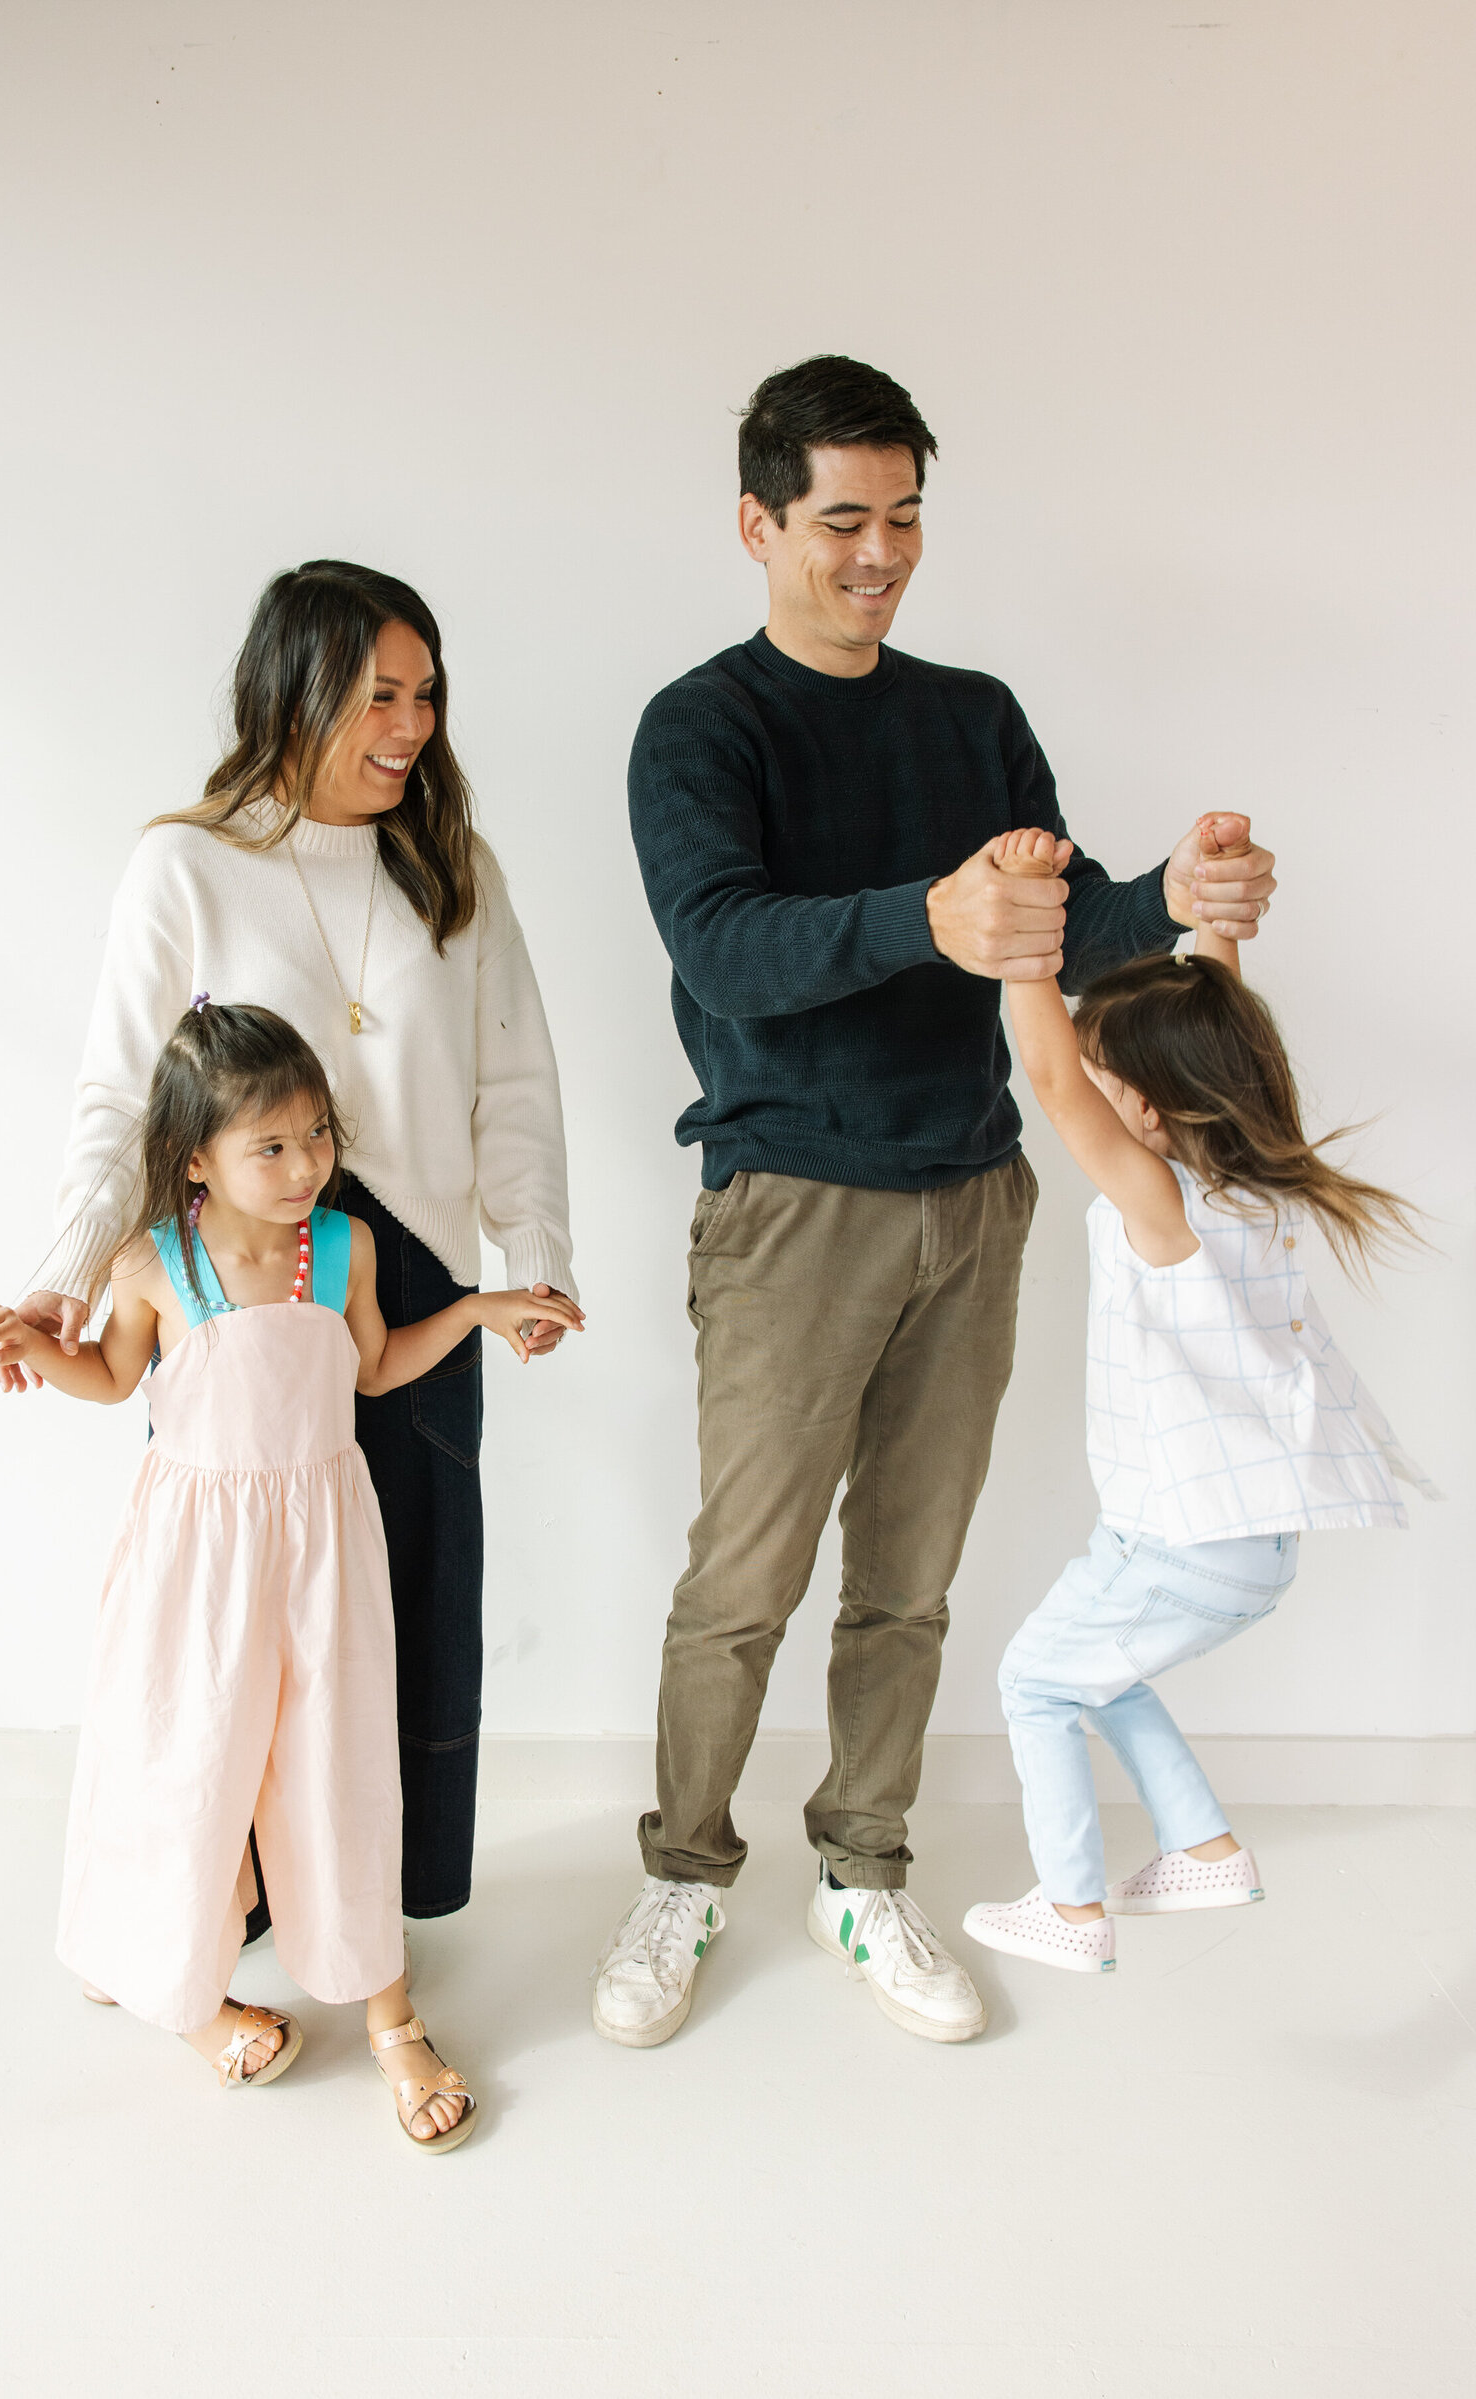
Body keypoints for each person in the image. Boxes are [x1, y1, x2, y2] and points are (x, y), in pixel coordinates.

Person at [593, 354, 1280, 2050]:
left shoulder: (971, 714)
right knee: (740, 1582)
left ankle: (862, 1862)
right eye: (842, 519)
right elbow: (725, 945)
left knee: (908, 1577)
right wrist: (927, 913)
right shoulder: (704, 725)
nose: (879, 552)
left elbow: (1060, 913)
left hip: (974, 1196)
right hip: (791, 1204)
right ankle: (683, 1870)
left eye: (903, 517)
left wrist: (1172, 901)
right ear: (757, 522)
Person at [4, 561, 577, 1935]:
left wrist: (539, 1253)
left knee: (411, 1608)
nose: (412, 723)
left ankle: (376, 1905)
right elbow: (121, 1099)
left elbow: (516, 1083)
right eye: (378, 693)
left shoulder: (453, 869)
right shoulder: (186, 864)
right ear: (294, 689)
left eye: (427, 693)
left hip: (417, 1277)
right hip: (239, 1295)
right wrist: (62, 1280)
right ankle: (228, 1908)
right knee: (237, 1615)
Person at [0, 1000, 582, 2141]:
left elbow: (380, 1365)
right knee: (188, 1764)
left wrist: (482, 1307)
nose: (305, 1167)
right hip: (195, 1563)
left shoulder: (340, 1249)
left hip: (322, 1553)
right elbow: (107, 1379)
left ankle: (388, 2011)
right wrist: (30, 1343)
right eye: (271, 1146)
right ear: (196, 1155)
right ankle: (179, 1989)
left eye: (316, 1137)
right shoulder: (152, 1262)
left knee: (336, 1766)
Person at [962, 822, 1435, 1972]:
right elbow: (1216, 1022)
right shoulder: (1249, 1182)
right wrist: (1211, 922)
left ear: (1152, 1111)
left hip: (1180, 1538)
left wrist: (1025, 940)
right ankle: (1202, 1845)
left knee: (1032, 1680)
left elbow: (1051, 1085)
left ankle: (1071, 1911)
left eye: (1109, 1077)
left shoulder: (1158, 1202)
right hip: (1227, 1537)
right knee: (1096, 1670)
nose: (1092, 1089)